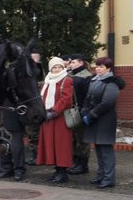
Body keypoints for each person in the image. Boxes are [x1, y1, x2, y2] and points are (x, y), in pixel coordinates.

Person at [82, 57, 124, 189]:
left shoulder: (111, 83)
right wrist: (84, 111)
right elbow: (88, 98)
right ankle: (100, 175)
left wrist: (92, 114)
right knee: (98, 149)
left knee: (106, 150)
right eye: (97, 66)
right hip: (94, 119)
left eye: (101, 66)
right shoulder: (94, 81)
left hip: (105, 120)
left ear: (108, 68)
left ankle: (108, 178)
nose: (98, 69)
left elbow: (107, 102)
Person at [37, 57, 74, 183]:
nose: (57, 69)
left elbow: (66, 99)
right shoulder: (47, 81)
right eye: (54, 67)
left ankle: (62, 172)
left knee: (61, 146)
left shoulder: (66, 80)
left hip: (60, 118)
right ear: (50, 69)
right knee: (51, 145)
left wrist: (54, 111)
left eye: (59, 67)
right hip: (47, 118)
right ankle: (57, 170)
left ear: (63, 68)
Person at [66, 54, 94, 175]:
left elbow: (88, 95)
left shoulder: (86, 77)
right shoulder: (71, 75)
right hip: (71, 112)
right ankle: (75, 162)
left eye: (73, 62)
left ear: (81, 63)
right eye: (70, 62)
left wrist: (85, 111)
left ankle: (83, 165)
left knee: (82, 139)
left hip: (81, 111)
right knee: (73, 138)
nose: (71, 64)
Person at [0, 107, 27, 181]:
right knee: (3, 145)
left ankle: (19, 170)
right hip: (3, 116)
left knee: (16, 147)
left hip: (16, 116)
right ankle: (6, 168)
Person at [26, 48, 45, 166]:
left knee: (36, 131)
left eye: (36, 58)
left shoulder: (39, 70)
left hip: (37, 104)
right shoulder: (27, 69)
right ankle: (34, 153)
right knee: (31, 131)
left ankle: (38, 154)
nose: (34, 60)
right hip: (29, 104)